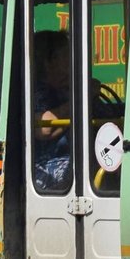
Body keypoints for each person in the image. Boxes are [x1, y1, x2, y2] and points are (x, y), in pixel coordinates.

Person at [32, 30, 74, 191]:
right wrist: (80, 102)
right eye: (64, 55)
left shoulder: (66, 89)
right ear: (47, 62)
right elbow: (44, 129)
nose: (70, 60)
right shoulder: (37, 91)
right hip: (46, 167)